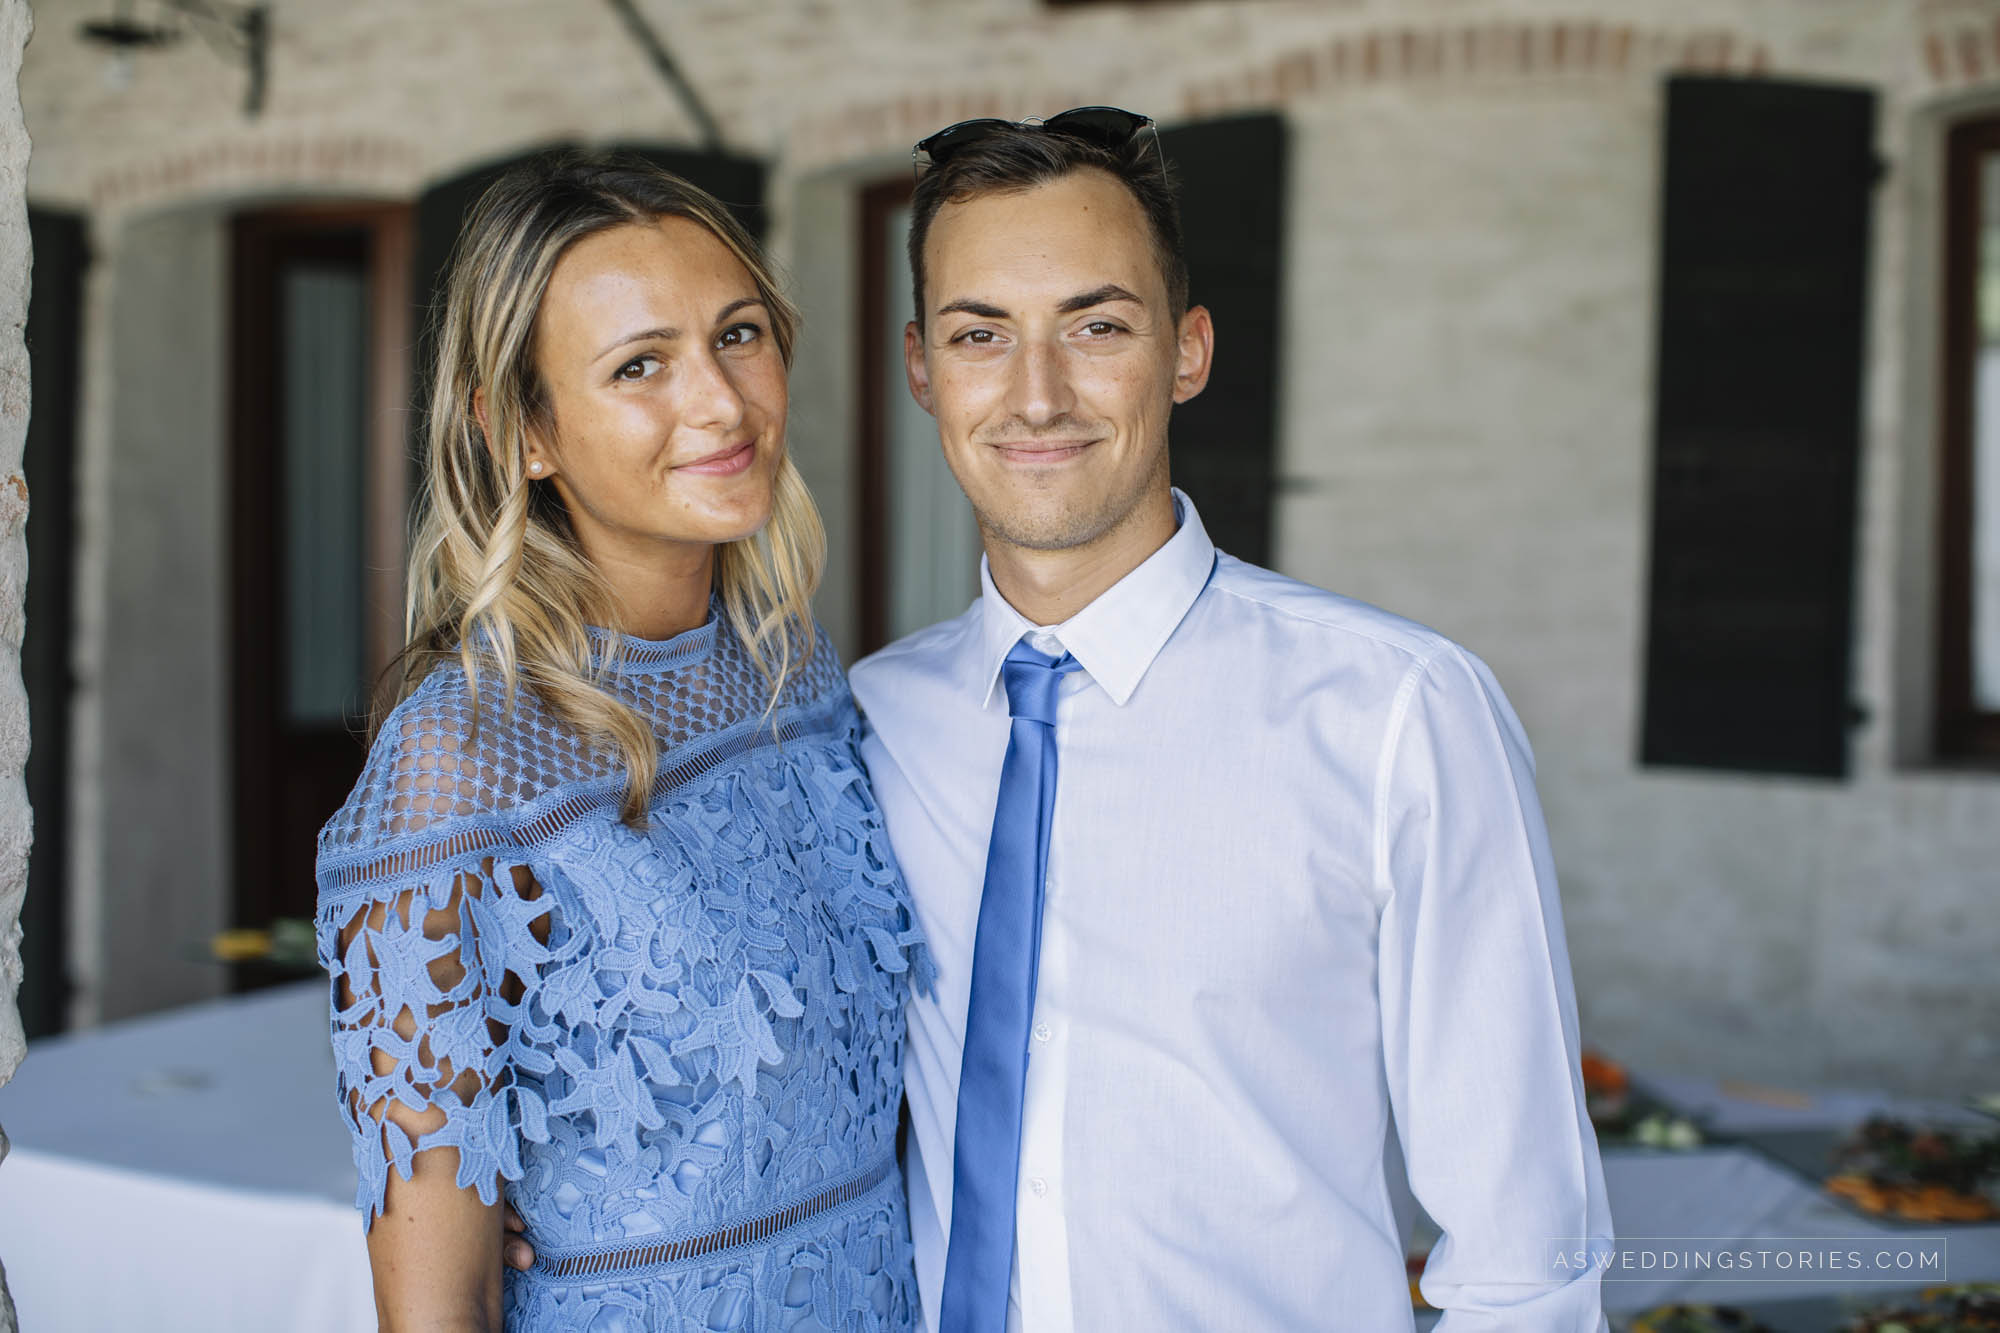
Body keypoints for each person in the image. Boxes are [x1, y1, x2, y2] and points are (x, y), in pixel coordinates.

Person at [849, 111, 1614, 1331]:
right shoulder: (864, 729)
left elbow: (1523, 1244)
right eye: (979, 333)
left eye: (1096, 327)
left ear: (1187, 351)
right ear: (921, 368)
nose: (1035, 393)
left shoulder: (1396, 715)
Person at [315, 153, 930, 1332]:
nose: (720, 402)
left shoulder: (788, 666)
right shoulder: (459, 758)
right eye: (639, 364)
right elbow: (433, 1305)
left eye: (737, 335)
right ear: (525, 430)